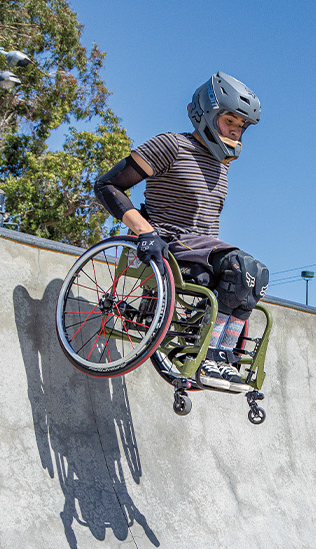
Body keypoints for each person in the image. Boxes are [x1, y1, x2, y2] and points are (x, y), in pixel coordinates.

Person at [92, 72, 268, 391]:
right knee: (240, 268)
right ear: (208, 113)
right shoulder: (171, 145)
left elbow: (208, 225)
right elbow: (107, 185)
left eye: (241, 126)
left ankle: (223, 357)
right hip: (168, 244)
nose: (236, 130)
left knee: (256, 277)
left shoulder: (222, 166)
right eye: (230, 120)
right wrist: (144, 232)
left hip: (200, 250)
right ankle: (210, 356)